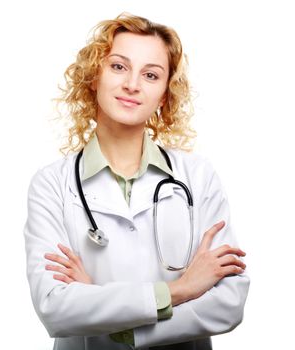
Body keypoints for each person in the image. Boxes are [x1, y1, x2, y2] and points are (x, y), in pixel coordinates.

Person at [23, 12, 250, 350]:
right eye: (118, 66)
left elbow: (228, 304)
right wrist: (180, 290)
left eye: (151, 74)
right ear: (93, 77)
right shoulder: (51, 184)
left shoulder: (198, 177)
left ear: (165, 93)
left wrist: (102, 312)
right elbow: (55, 309)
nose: (132, 84)